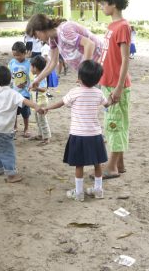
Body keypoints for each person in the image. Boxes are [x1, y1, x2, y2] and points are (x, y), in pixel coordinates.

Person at [44, 60, 111, 201]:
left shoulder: (74, 92)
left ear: (79, 78)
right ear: (98, 79)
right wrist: (112, 99)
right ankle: (98, 190)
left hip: (78, 134)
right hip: (95, 134)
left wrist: (47, 108)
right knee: (97, 163)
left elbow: (61, 103)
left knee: (79, 164)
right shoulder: (98, 93)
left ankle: (79, 192)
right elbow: (107, 104)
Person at [0, 66, 42, 183]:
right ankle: (11, 175)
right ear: (10, 79)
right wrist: (36, 106)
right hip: (3, 131)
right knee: (7, 152)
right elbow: (25, 101)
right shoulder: (13, 94)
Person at [96, 0, 132, 178]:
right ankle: (120, 164)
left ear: (113, 3)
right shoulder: (111, 26)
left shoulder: (123, 26)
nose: (102, 7)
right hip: (107, 82)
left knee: (115, 125)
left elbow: (125, 59)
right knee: (113, 122)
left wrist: (118, 88)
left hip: (116, 85)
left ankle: (111, 167)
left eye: (103, 3)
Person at [26, 14, 103, 89]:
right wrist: (38, 80)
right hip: (92, 73)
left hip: (99, 67)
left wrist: (84, 73)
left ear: (40, 28)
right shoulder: (53, 39)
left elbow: (89, 44)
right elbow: (52, 63)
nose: (37, 39)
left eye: (35, 35)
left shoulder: (64, 31)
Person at [8, 41, 32, 137]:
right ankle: (15, 127)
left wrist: (26, 84)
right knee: (14, 111)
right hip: (14, 92)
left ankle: (26, 128)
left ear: (24, 53)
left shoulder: (29, 64)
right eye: (14, 55)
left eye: (18, 55)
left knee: (25, 113)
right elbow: (9, 75)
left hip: (25, 92)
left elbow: (32, 77)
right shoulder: (12, 62)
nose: (16, 57)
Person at [30, 55, 52, 145]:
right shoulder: (37, 76)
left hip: (42, 103)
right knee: (38, 119)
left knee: (42, 120)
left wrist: (36, 89)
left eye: (31, 66)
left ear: (35, 68)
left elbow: (44, 89)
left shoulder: (41, 77)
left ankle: (46, 137)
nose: (30, 68)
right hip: (37, 102)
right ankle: (40, 134)